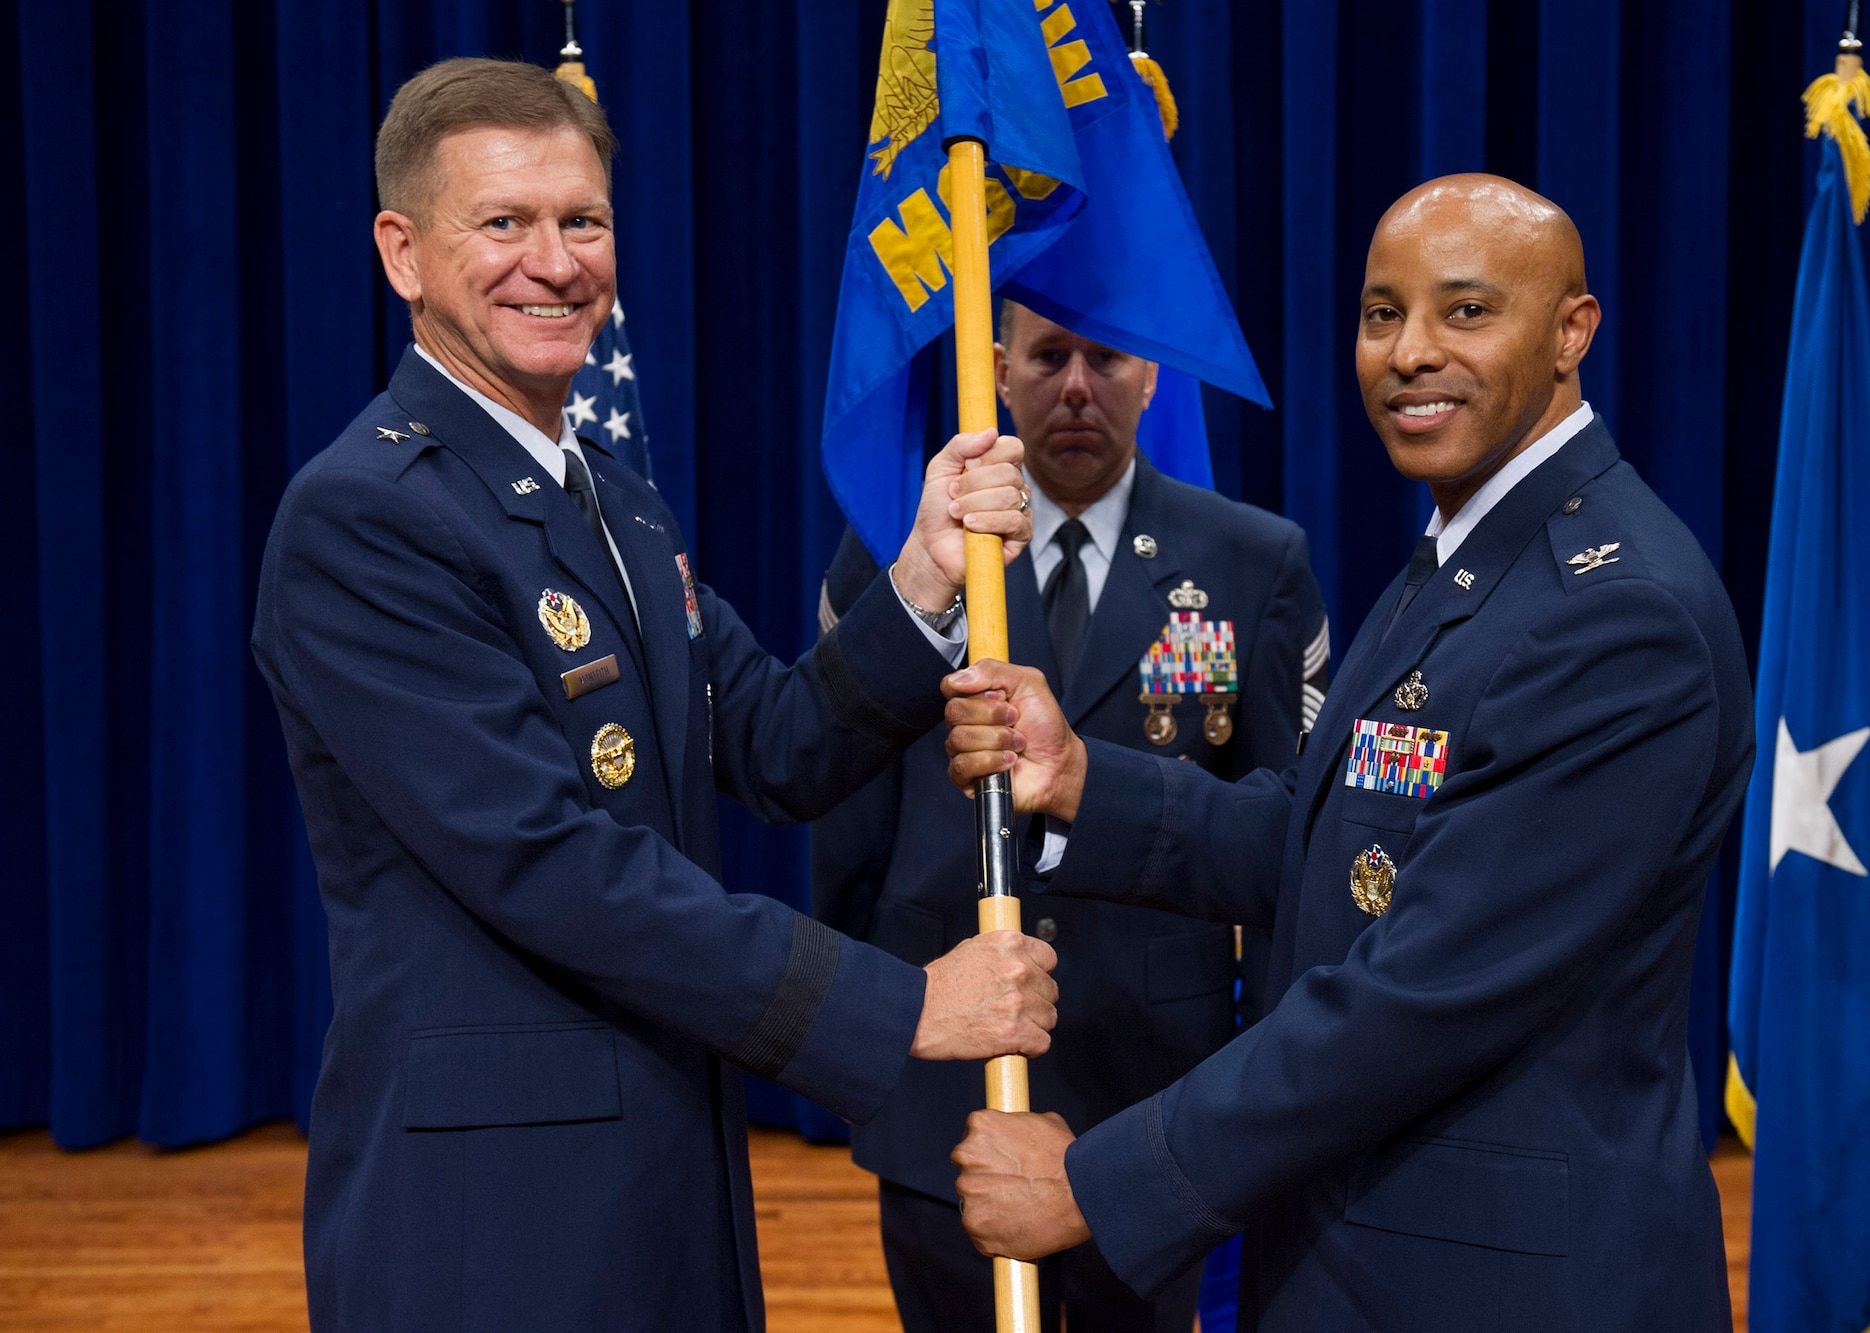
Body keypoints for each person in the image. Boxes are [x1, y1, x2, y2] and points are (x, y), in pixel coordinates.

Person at [251, 59, 1056, 1333]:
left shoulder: (612, 496)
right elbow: (549, 862)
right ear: (403, 254)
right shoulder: (366, 518)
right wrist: (902, 1003)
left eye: (583, 221)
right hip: (499, 1204)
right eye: (502, 223)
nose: (555, 262)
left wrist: (923, 572)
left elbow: (777, 745)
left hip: (663, 1145)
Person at [941, 175, 1754, 1331]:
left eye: (1464, 312)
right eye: (1382, 314)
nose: (1410, 352)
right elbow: (1341, 844)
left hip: (1496, 1288)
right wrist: (1076, 776)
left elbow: (1422, 990)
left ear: (1571, 333)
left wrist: (1092, 1184)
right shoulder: (1469, 554)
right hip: (1375, 1250)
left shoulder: (1613, 614)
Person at [812, 302, 1329, 1332]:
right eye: (1049, 357)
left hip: (1147, 1093)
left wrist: (1267, 1080)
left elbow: (1287, 832)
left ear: (1150, 375)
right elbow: (845, 813)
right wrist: (861, 1031)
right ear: (999, 371)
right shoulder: (907, 546)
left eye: (1104, 356)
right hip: (940, 1092)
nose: (1077, 386)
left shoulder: (1248, 560)